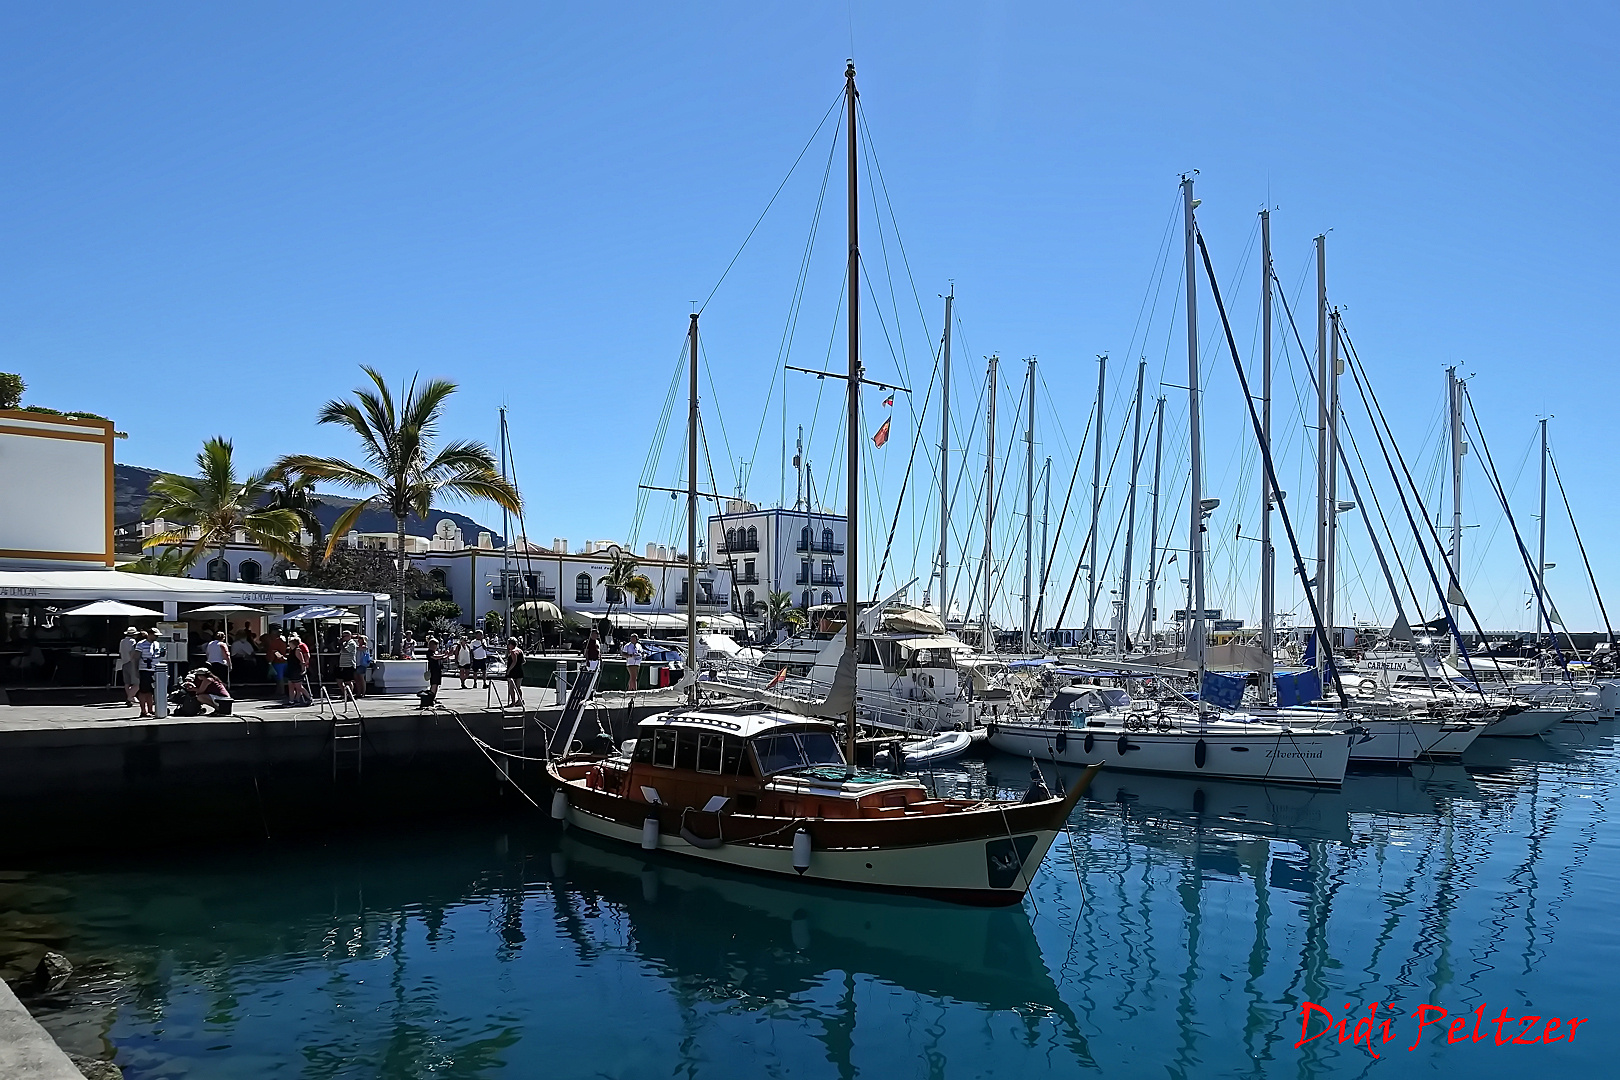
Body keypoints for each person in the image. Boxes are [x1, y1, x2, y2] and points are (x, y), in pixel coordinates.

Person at [134, 627, 163, 718]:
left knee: (151, 691)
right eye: (155, 635)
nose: (156, 637)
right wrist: (136, 670)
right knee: (143, 691)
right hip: (145, 670)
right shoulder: (141, 644)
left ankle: (150, 709)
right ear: (150, 634)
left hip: (156, 669)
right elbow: (136, 658)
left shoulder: (157, 644)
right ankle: (143, 710)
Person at [285, 632, 310, 706]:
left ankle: (309, 698)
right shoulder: (291, 651)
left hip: (296, 670)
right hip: (291, 669)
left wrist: (303, 670)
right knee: (291, 685)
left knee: (298, 686)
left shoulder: (297, 650)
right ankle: (292, 701)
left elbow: (302, 661)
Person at [117, 626, 140, 707]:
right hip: (131, 662)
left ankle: (129, 698)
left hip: (124, 662)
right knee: (137, 683)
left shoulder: (122, 641)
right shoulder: (132, 641)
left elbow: (120, 652)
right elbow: (132, 652)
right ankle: (130, 697)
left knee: (127, 682)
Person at [264, 627, 289, 702]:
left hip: (278, 662)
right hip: (281, 661)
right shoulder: (283, 640)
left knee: (279, 678)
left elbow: (274, 651)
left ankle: (281, 693)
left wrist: (270, 661)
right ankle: (279, 692)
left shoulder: (276, 641)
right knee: (279, 678)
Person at [505, 636, 525, 707]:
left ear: (511, 644)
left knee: (511, 687)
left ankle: (513, 701)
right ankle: (520, 700)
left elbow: (514, 662)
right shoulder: (520, 651)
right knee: (518, 687)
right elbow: (523, 661)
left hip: (512, 671)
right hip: (519, 670)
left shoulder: (513, 652)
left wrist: (508, 671)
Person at [424, 635, 444, 704]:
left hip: (438, 670)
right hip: (433, 670)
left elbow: (441, 658)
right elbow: (435, 657)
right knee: (434, 684)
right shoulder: (429, 652)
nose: (436, 646)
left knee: (437, 685)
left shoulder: (436, 652)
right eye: (435, 645)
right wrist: (443, 655)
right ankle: (431, 698)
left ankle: (434, 698)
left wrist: (448, 655)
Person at [338, 630, 359, 695]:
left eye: (344, 636)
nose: (342, 638)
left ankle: (350, 694)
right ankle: (345, 693)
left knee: (348, 681)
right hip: (342, 665)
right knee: (339, 680)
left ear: (348, 636)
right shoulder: (345, 643)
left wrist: (341, 643)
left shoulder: (351, 643)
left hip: (349, 665)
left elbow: (346, 650)